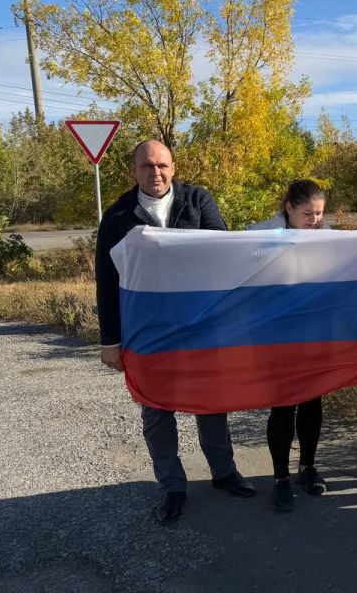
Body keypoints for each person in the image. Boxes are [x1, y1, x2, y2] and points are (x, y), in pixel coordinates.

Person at [95, 140, 255, 525]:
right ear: (133, 170)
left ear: (173, 167)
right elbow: (106, 280)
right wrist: (110, 341)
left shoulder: (198, 201)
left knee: (211, 401)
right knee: (157, 409)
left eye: (162, 165)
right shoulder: (117, 216)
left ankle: (223, 472)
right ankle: (172, 486)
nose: (156, 173)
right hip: (147, 331)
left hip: (201, 327)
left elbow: (221, 252)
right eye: (147, 166)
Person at [248, 180, 330, 512]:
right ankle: (280, 477)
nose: (315, 220)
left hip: (314, 333)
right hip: (276, 336)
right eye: (308, 213)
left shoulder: (329, 238)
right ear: (289, 208)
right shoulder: (259, 235)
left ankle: (307, 466)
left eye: (319, 213)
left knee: (312, 401)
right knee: (283, 405)